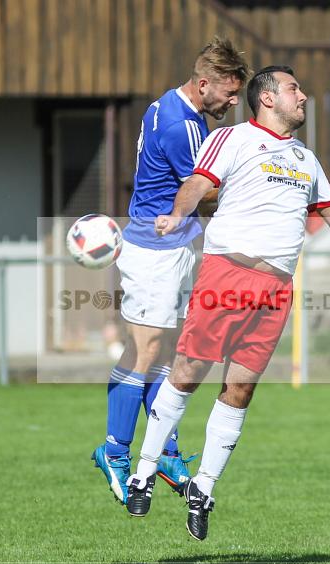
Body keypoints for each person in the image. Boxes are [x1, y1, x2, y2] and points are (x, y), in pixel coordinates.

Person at [124, 65, 330, 540]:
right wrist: (177, 214)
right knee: (189, 372)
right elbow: (197, 182)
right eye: (294, 89)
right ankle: (144, 471)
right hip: (227, 274)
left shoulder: (305, 159)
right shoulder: (234, 137)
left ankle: (203, 488)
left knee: (240, 389)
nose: (304, 96)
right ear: (268, 98)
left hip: (276, 289)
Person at [91, 38, 251, 504]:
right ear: (203, 85)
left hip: (171, 247)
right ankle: (114, 451)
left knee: (166, 353)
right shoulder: (184, 127)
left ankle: (164, 450)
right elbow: (202, 190)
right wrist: (256, 184)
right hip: (155, 251)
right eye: (229, 93)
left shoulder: (169, 105)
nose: (233, 102)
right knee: (143, 352)